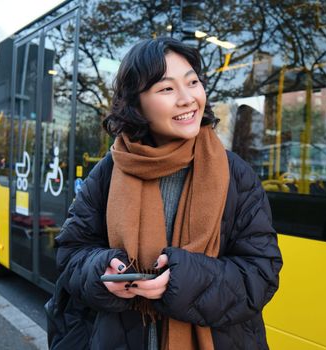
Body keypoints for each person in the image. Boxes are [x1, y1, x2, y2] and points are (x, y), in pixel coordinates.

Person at [49, 37, 282, 350]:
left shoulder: (235, 175)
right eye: (167, 88)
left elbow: (260, 274)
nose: (187, 99)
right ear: (137, 103)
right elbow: (71, 253)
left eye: (193, 82)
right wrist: (101, 270)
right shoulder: (109, 171)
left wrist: (180, 281)